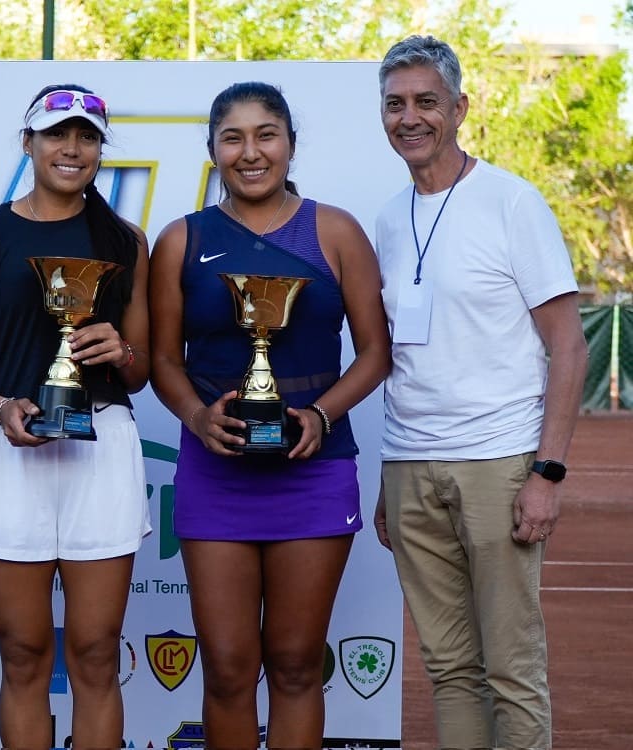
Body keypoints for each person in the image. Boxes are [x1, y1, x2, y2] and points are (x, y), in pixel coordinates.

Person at [149, 81, 391, 748]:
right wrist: (198, 418)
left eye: (266, 135)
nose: (250, 152)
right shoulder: (182, 240)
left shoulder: (335, 231)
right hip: (214, 473)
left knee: (293, 665)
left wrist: (320, 413)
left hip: (314, 472)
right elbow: (165, 362)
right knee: (227, 670)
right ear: (212, 151)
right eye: (233, 138)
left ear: (289, 144)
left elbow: (375, 353)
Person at [372, 35, 589, 750]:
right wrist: (387, 477)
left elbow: (568, 345)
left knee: (512, 667)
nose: (411, 118)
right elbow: (403, 358)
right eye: (396, 103)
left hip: (498, 462)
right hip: (409, 469)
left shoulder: (511, 203)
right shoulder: (386, 221)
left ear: (460, 108)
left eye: (427, 102)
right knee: (449, 667)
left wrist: (546, 473)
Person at [0, 83, 151, 749]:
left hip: (102, 446)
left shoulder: (127, 239)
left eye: (86, 136)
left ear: (100, 149)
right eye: (57, 134)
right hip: (10, 448)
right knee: (24, 652)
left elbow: (141, 370)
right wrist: (0, 409)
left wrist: (122, 348)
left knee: (94, 653)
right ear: (28, 142)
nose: (71, 148)